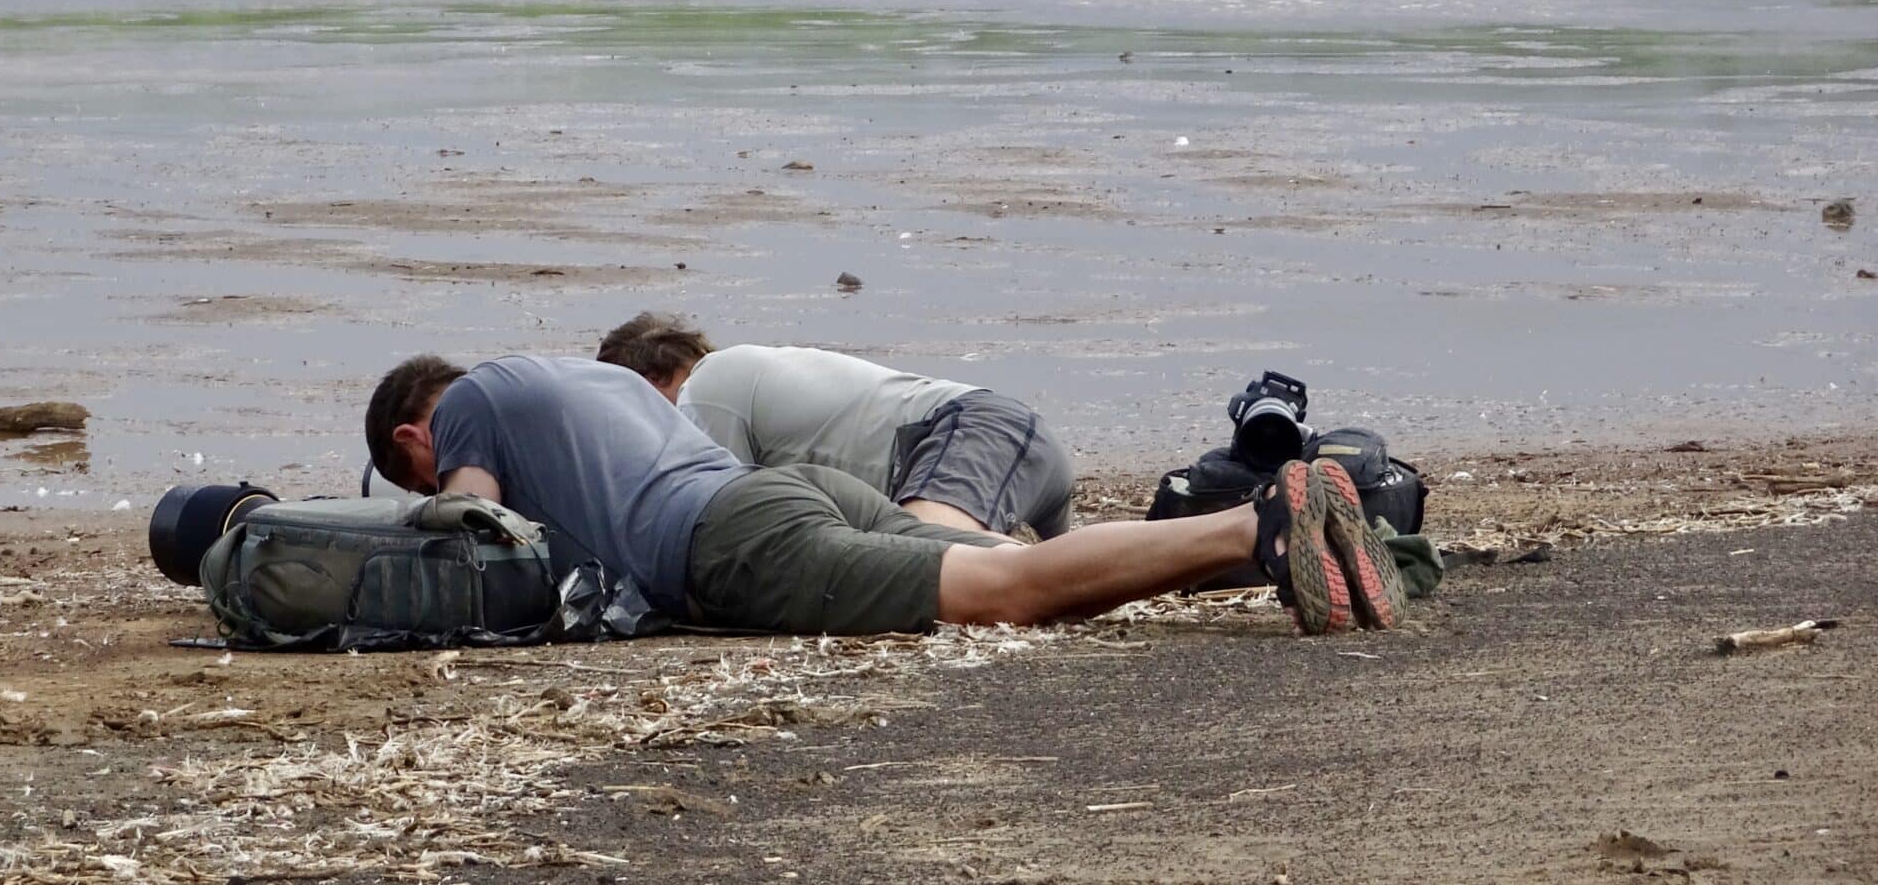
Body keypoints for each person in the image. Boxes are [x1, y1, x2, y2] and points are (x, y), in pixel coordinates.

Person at [363, 352, 1404, 638]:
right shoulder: (583, 375)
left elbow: (473, 524)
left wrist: (411, 520)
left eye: (410, 460)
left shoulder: (465, 414)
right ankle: (1260, 551)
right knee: (1010, 563)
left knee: (1008, 595)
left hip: (732, 544)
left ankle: (1258, 521)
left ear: (415, 432)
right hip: (784, 490)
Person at [595, 313, 1075, 540]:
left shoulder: (707, 387)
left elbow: (714, 513)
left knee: (935, 556)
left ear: (649, 382)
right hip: (1011, 446)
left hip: (973, 435)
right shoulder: (749, 371)